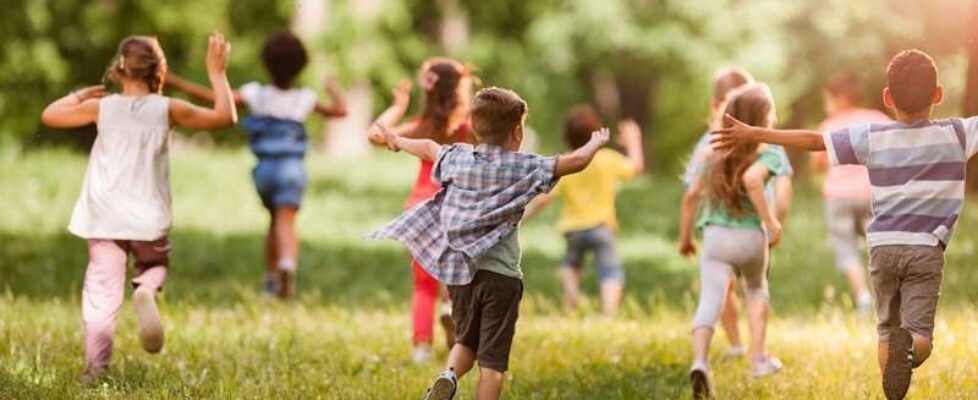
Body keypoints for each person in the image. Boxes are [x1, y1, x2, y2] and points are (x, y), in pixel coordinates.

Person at [712, 49, 975, 400]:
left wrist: (757, 133)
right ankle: (909, 345)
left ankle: (894, 377)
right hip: (926, 249)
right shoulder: (958, 133)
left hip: (882, 249)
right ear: (939, 95)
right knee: (919, 337)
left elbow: (815, 141)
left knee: (886, 330)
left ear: (887, 97)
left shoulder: (872, 136)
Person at [368, 87, 608, 400]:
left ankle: (449, 375)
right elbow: (575, 161)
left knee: (465, 341)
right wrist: (595, 142)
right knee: (492, 363)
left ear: (475, 127)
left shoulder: (458, 158)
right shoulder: (523, 166)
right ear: (518, 132)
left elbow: (428, 148)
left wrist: (397, 141)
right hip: (501, 278)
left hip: (462, 275)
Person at [39, 33, 236, 384]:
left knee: (101, 292)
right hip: (149, 218)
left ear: (118, 69)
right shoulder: (169, 109)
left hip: (104, 216)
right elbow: (224, 118)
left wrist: (81, 94)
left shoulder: (102, 107)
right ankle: (145, 288)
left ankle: (95, 370)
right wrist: (217, 73)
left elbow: (50, 115)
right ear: (159, 71)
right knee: (154, 264)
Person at [166, 31, 348, 299]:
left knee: (273, 221)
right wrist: (333, 88)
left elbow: (209, 97)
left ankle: (270, 281)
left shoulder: (256, 94)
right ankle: (286, 264)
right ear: (300, 66)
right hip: (292, 170)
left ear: (266, 63)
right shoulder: (304, 98)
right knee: (286, 223)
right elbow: (340, 111)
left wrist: (174, 81)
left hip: (264, 171)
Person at [679, 83, 785, 399]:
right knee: (755, 290)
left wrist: (685, 238)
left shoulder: (710, 150)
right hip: (751, 237)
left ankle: (700, 361)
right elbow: (753, 179)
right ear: (762, 119)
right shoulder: (769, 150)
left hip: (715, 237)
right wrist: (771, 221)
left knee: (710, 299)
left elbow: (691, 196)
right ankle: (758, 358)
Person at [366, 58, 474, 363]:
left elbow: (375, 135)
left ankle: (421, 348)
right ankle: (451, 311)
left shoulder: (421, 125)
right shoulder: (468, 125)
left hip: (419, 208)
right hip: (456, 207)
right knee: (458, 276)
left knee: (423, 284)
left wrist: (398, 107)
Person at [524, 105, 645, 316]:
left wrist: (525, 214)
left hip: (573, 229)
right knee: (609, 270)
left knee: (571, 265)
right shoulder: (607, 158)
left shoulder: (568, 162)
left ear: (567, 137)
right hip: (601, 227)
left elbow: (546, 197)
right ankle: (608, 314)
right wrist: (634, 141)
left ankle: (571, 303)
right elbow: (636, 167)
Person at [810, 72, 891, 315]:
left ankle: (863, 297)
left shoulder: (829, 126)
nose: (826, 105)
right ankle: (887, 296)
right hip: (872, 195)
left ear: (840, 98)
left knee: (846, 248)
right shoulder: (876, 119)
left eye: (828, 99)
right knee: (879, 245)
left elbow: (818, 164)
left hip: (839, 198)